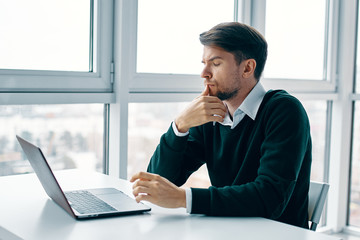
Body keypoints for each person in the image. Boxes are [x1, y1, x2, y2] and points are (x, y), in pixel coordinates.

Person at [130, 22, 312, 229]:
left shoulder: (284, 110)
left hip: (276, 234)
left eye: (215, 64)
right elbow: (160, 182)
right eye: (204, 63)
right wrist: (180, 126)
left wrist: (184, 198)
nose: (204, 73)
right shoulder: (211, 115)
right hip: (226, 229)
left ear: (247, 68)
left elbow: (270, 198)